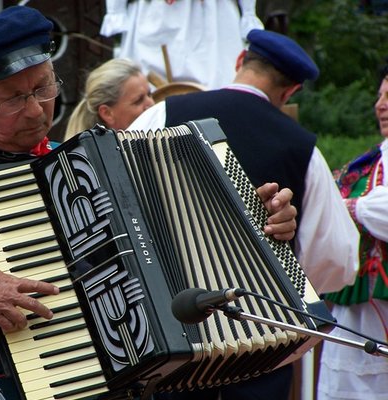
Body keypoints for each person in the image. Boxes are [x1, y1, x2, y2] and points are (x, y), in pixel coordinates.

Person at [0, 7, 300, 400]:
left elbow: (161, 255)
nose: (35, 110)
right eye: (13, 97)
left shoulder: (77, 163)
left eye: (44, 88)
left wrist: (249, 223)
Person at [129, 29, 360, 399]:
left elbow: (122, 200)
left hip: (171, 333)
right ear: (290, 92)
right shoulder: (301, 148)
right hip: (259, 347)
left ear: (240, 61)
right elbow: (338, 260)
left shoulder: (163, 112)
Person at [317, 63, 388, 399]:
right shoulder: (369, 160)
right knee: (345, 378)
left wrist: (352, 207)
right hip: (357, 301)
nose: (381, 105)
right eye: (379, 96)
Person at [99, 0, 263, 89]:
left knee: (217, 84)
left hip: (212, 19)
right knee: (145, 91)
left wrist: (248, 12)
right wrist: (116, 10)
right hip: (155, 17)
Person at [64, 58, 154, 140]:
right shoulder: (95, 156)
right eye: (138, 101)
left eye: (150, 94)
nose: (151, 104)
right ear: (107, 113)